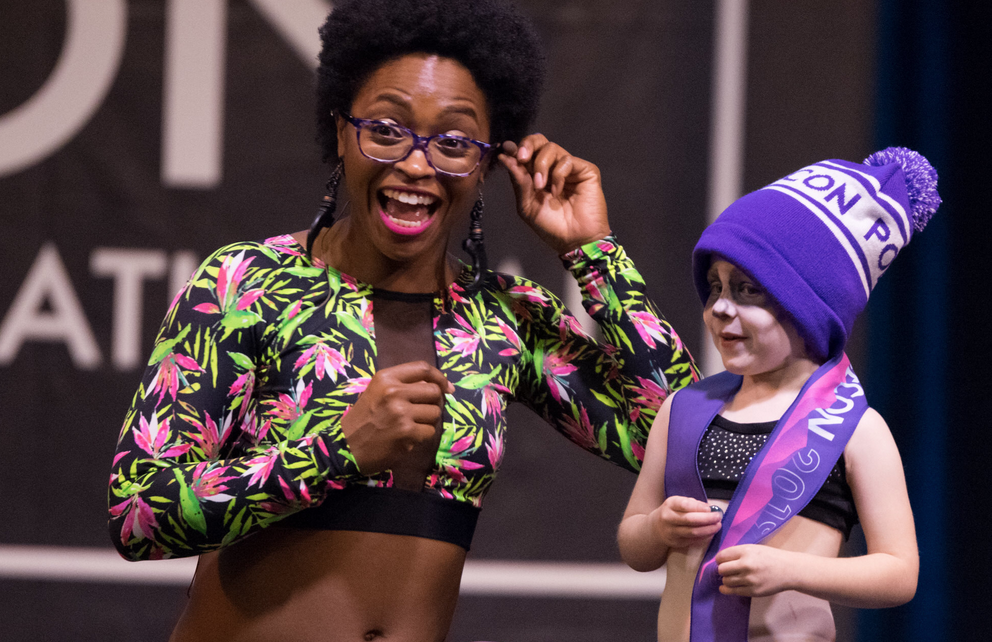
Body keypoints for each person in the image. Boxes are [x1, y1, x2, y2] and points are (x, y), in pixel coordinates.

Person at [106, 1, 697, 640]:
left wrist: (592, 252)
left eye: (452, 142)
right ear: (340, 133)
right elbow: (140, 513)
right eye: (385, 129)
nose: (416, 165)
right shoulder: (249, 283)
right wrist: (335, 452)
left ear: (487, 161)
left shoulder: (507, 318)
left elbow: (686, 442)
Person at [617, 148, 939, 641]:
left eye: (747, 290)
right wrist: (659, 527)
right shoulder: (684, 409)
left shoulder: (856, 429)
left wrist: (789, 570)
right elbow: (634, 544)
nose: (720, 307)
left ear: (810, 307)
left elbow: (899, 573)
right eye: (714, 287)